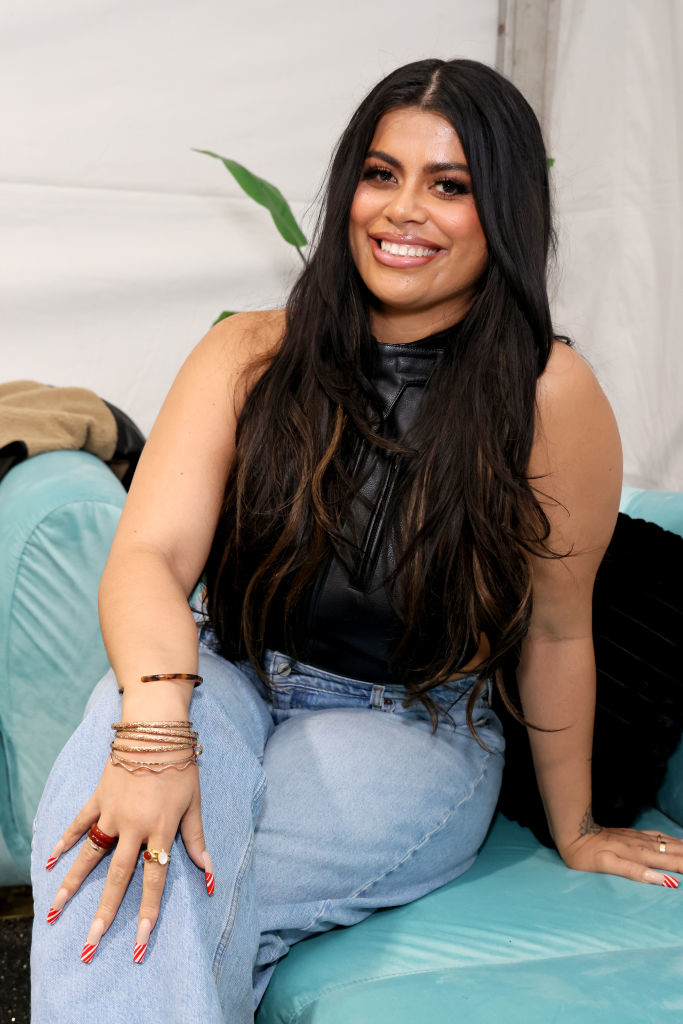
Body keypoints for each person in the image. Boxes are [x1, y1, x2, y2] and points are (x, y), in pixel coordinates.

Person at [30, 57, 682, 1023]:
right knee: (114, 859)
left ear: (500, 209)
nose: (402, 210)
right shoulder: (249, 353)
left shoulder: (547, 393)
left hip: (407, 726)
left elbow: (553, 630)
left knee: (162, 885)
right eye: (381, 174)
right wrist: (157, 737)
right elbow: (150, 560)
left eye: (448, 185)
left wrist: (579, 826)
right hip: (217, 675)